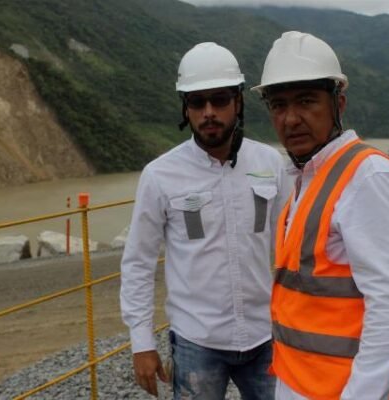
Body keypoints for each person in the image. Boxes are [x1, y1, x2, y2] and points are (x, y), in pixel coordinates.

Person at [251, 31, 389, 400]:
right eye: (278, 105)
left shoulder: (369, 178)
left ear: (338, 104)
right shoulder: (308, 176)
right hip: (296, 380)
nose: (290, 119)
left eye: (306, 101)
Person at [120, 42, 289, 399]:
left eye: (220, 99)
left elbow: (293, 247)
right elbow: (138, 262)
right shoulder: (160, 176)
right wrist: (141, 343)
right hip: (197, 341)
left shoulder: (271, 164)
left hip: (266, 335)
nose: (209, 112)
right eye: (197, 102)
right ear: (186, 108)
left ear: (238, 102)